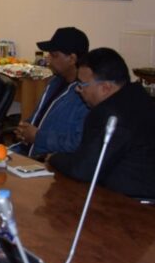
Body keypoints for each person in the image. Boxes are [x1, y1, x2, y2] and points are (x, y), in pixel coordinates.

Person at [49, 48, 155, 198]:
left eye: (82, 84)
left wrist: (53, 157)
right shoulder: (139, 97)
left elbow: (83, 170)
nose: (78, 90)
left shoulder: (109, 114)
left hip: (131, 202)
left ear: (105, 88)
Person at [14, 27, 90, 158]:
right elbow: (39, 117)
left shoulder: (84, 95)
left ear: (72, 59)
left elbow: (77, 143)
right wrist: (24, 129)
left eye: (54, 55)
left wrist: (38, 136)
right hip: (24, 152)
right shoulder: (55, 81)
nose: (48, 60)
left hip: (45, 161)